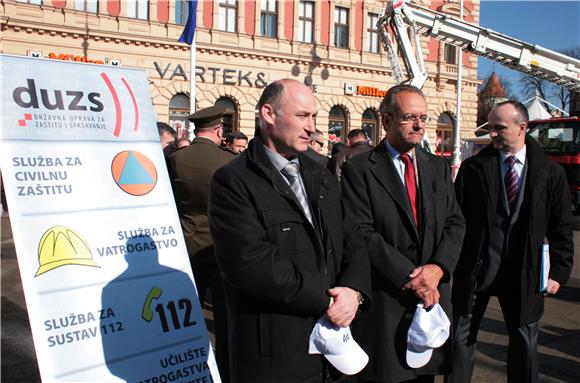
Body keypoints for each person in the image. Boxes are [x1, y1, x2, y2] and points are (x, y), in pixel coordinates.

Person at [208, 79, 371, 383]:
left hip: (334, 353)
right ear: (268, 113)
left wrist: (354, 291)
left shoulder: (320, 174)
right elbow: (250, 262)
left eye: (313, 117)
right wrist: (328, 300)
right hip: (277, 355)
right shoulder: (233, 181)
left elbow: (353, 239)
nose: (312, 127)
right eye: (302, 116)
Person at [340, 84, 465, 382]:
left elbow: (455, 223)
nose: (419, 124)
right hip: (388, 302)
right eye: (410, 117)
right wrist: (414, 279)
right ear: (386, 121)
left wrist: (437, 269)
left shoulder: (437, 167)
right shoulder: (359, 169)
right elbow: (362, 232)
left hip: (432, 302)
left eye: (423, 117)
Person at [447, 100, 574, 383]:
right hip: (477, 271)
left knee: (524, 342)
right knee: (461, 339)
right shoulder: (473, 169)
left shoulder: (550, 173)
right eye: (490, 128)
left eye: (499, 128)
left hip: (524, 273)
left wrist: (558, 273)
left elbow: (561, 227)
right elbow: (456, 221)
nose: (492, 134)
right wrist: (448, 264)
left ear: (522, 127)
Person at [167, 105, 235, 382]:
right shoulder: (228, 160)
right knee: (224, 318)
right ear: (219, 130)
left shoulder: (176, 159)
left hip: (187, 245)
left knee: (186, 315)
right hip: (221, 249)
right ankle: (224, 372)